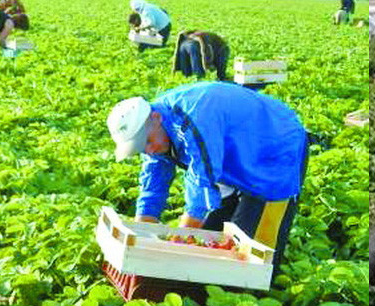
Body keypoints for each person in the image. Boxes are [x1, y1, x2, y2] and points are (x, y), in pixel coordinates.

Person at [106, 82, 308, 276]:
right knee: (212, 243)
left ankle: (254, 298)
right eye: (141, 146)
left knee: (252, 256)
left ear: (156, 117)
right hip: (234, 158)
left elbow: (199, 184)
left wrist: (173, 249)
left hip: (275, 150)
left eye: (148, 142)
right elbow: (153, 184)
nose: (149, 150)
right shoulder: (153, 130)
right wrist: (139, 241)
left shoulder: (193, 119)